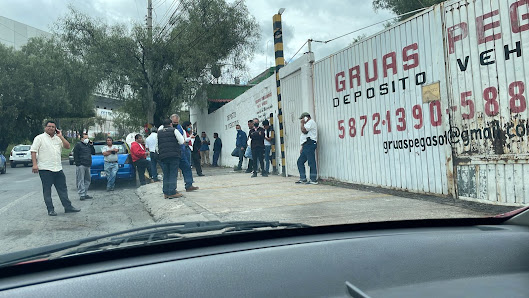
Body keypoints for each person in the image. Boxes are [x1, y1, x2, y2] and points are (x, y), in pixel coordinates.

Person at [30, 120, 81, 216]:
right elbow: (33, 151)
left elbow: (67, 146)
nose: (51, 128)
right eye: (49, 126)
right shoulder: (39, 138)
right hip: (45, 169)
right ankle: (50, 209)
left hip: (58, 168)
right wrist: (34, 164)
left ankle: (68, 207)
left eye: (53, 127)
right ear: (45, 127)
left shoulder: (58, 139)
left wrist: (61, 136)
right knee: (47, 190)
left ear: (56, 129)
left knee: (63, 189)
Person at [170, 114, 199, 192]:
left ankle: (189, 185)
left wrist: (189, 138)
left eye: (176, 122)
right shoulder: (166, 128)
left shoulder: (181, 129)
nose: (175, 123)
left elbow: (184, 140)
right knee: (173, 170)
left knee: (187, 167)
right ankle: (172, 189)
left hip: (181, 151)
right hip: (173, 152)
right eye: (174, 122)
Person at [158, 119, 185, 199]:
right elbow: (181, 141)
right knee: (173, 173)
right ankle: (172, 192)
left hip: (163, 156)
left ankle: (166, 192)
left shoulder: (159, 133)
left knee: (166, 174)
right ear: (171, 124)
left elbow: (156, 145)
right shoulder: (174, 130)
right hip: (174, 155)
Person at [296, 112, 318, 185]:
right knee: (300, 161)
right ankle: (303, 178)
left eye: (302, 118)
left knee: (311, 162)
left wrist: (302, 123)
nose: (302, 120)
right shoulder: (306, 124)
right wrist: (302, 146)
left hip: (310, 143)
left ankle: (313, 179)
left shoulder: (310, 122)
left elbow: (304, 131)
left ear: (306, 117)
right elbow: (304, 135)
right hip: (306, 145)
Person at [73, 133, 95, 200]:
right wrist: (78, 163)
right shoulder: (78, 145)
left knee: (87, 180)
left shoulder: (88, 145)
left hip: (88, 164)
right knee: (80, 180)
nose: (87, 139)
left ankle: (85, 193)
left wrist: (91, 145)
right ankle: (81, 194)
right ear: (81, 139)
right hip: (81, 164)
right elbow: (75, 154)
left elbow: (93, 152)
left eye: (87, 138)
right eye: (85, 138)